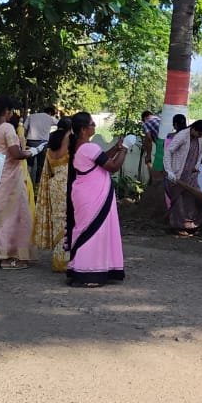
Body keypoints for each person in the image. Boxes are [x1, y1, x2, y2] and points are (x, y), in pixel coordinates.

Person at [66, 111, 129, 287]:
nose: (94, 126)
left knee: (86, 230)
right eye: (92, 124)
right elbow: (113, 167)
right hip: (94, 196)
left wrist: (115, 148)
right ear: (83, 129)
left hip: (86, 193)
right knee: (94, 232)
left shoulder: (81, 146)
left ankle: (81, 268)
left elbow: (100, 158)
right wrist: (125, 149)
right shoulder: (89, 147)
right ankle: (88, 272)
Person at [0, 96, 37, 269]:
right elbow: (15, 153)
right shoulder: (7, 127)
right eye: (11, 111)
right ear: (6, 111)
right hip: (10, 177)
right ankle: (8, 257)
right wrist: (29, 153)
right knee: (13, 217)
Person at [32, 117, 75, 272]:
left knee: (58, 219)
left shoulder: (52, 140)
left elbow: (48, 167)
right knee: (69, 219)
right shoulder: (70, 138)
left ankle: (58, 259)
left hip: (54, 183)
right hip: (68, 183)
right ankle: (68, 259)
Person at [164, 119, 202, 235]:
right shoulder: (182, 136)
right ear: (193, 129)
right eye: (199, 133)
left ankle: (193, 225)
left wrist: (197, 166)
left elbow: (199, 153)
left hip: (191, 175)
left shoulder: (199, 138)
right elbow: (168, 152)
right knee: (179, 202)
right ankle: (179, 227)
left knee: (194, 199)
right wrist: (169, 171)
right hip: (178, 175)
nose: (200, 136)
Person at [24, 104, 58, 183]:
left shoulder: (31, 116)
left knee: (29, 164)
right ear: (50, 113)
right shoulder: (50, 118)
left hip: (30, 142)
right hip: (43, 143)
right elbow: (61, 123)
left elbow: (24, 128)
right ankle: (38, 183)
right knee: (40, 164)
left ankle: (27, 182)